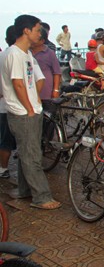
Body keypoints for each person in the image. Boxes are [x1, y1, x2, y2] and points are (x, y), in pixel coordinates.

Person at [2, 15, 61, 210]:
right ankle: (41, 197)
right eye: (37, 29)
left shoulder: (26, 54)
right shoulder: (13, 54)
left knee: (28, 153)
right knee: (32, 156)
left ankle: (25, 190)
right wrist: (29, 107)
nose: (40, 33)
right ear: (26, 30)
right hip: (22, 113)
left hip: (30, 110)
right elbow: (18, 84)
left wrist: (34, 100)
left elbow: (37, 79)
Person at [0, 26, 18, 179]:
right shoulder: (11, 55)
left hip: (7, 105)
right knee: (6, 140)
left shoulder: (5, 55)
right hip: (8, 106)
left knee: (6, 138)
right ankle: (2, 168)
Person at [30, 27, 61, 114]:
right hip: (32, 93)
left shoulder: (49, 53)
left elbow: (57, 72)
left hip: (47, 93)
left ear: (42, 40)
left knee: (49, 120)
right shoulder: (27, 52)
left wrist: (55, 90)